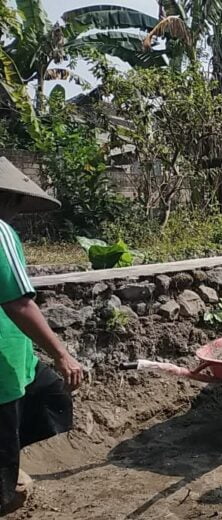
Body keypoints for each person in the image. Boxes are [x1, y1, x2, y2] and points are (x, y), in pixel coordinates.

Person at [0, 158, 84, 514]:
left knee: (51, 394)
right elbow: (19, 302)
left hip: (17, 357)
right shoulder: (1, 232)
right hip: (2, 368)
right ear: (9, 199)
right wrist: (63, 353)